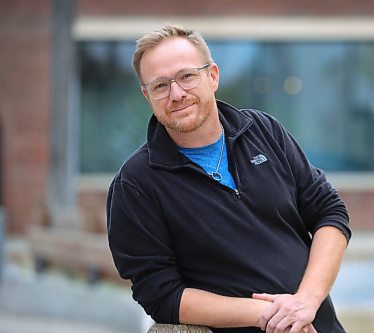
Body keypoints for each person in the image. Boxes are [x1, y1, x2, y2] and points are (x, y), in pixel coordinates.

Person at [106, 24, 351, 333]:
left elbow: (329, 211)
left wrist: (306, 301)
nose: (177, 94)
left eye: (186, 76)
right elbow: (161, 295)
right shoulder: (135, 185)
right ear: (147, 95)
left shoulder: (265, 131)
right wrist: (270, 314)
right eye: (160, 85)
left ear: (213, 76)